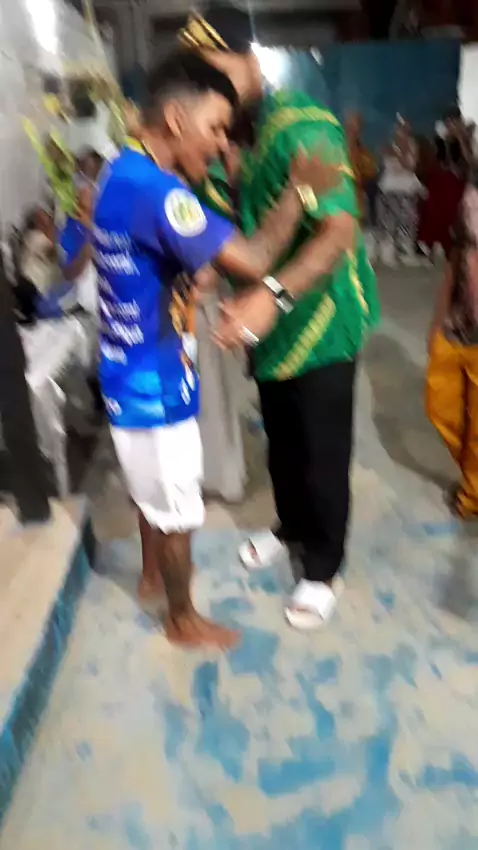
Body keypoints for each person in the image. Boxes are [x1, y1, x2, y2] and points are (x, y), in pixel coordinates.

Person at [93, 51, 340, 647]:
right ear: (176, 119)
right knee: (178, 507)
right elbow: (253, 258)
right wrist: (300, 193)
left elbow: (160, 257)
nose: (222, 142)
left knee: (152, 490)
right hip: (155, 382)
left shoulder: (121, 172)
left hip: (127, 368)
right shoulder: (158, 192)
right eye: (215, 127)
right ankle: (181, 618)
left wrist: (188, 275)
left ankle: (154, 576)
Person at [178, 2, 380, 630]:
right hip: (264, 328)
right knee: (284, 441)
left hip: (320, 319)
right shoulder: (227, 143)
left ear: (249, 60)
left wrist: (273, 295)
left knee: (322, 451)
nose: (211, 88)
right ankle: (291, 525)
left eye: (217, 70)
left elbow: (339, 230)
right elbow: (231, 236)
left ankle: (323, 566)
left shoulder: (304, 125)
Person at [426, 168, 478, 518]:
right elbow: (453, 262)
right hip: (457, 328)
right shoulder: (470, 200)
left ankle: (472, 495)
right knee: (439, 405)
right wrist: (437, 320)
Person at [377, 116, 421, 267]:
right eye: (401, 128)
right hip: (389, 188)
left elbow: (410, 166)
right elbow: (385, 160)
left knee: (408, 219)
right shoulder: (388, 144)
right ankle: (387, 252)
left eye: (407, 129)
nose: (404, 132)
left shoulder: (413, 145)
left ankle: (405, 251)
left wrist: (401, 151)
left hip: (407, 189)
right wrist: (395, 150)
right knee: (389, 219)